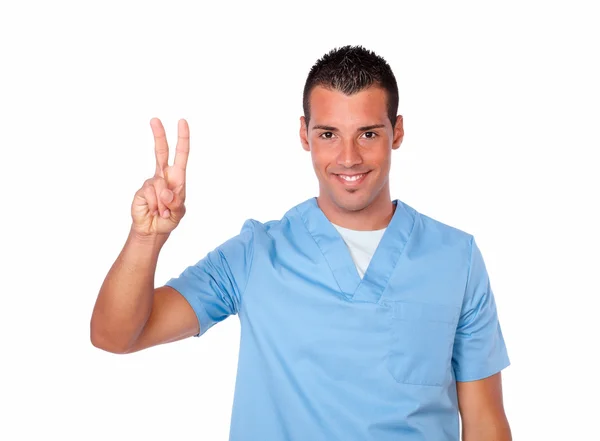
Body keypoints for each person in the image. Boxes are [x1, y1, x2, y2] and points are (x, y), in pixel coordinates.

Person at [91, 45, 512, 441]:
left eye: (368, 134)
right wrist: (145, 238)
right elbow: (116, 336)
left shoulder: (456, 260)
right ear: (304, 134)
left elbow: (485, 422)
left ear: (396, 132)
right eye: (329, 134)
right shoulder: (255, 255)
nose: (349, 158)